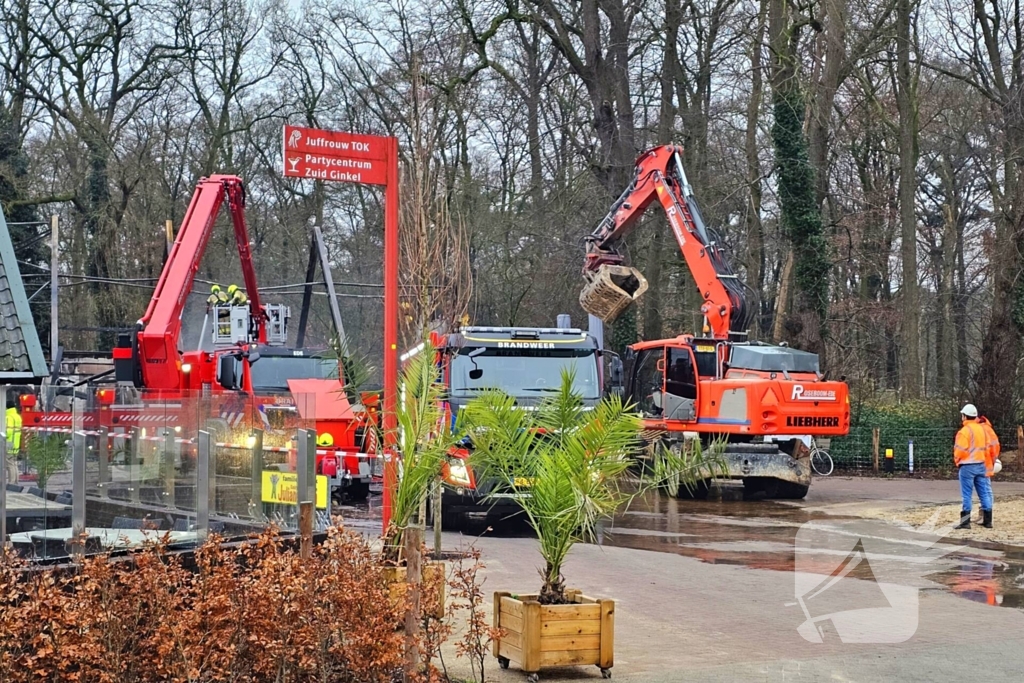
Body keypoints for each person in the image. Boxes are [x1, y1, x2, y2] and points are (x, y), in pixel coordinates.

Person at [953, 403, 994, 529]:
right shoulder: (982, 429)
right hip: (981, 464)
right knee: (984, 493)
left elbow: (960, 450)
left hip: (967, 466)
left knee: (967, 494)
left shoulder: (964, 431)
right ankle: (988, 521)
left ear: (964, 416)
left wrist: (957, 460)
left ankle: (965, 522)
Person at [5, 395, 21, 484]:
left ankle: (11, 483)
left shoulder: (8, 417)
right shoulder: (17, 416)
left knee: (9, 464)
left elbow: (8, 432)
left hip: (9, 442)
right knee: (14, 463)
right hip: (16, 443)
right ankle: (16, 482)